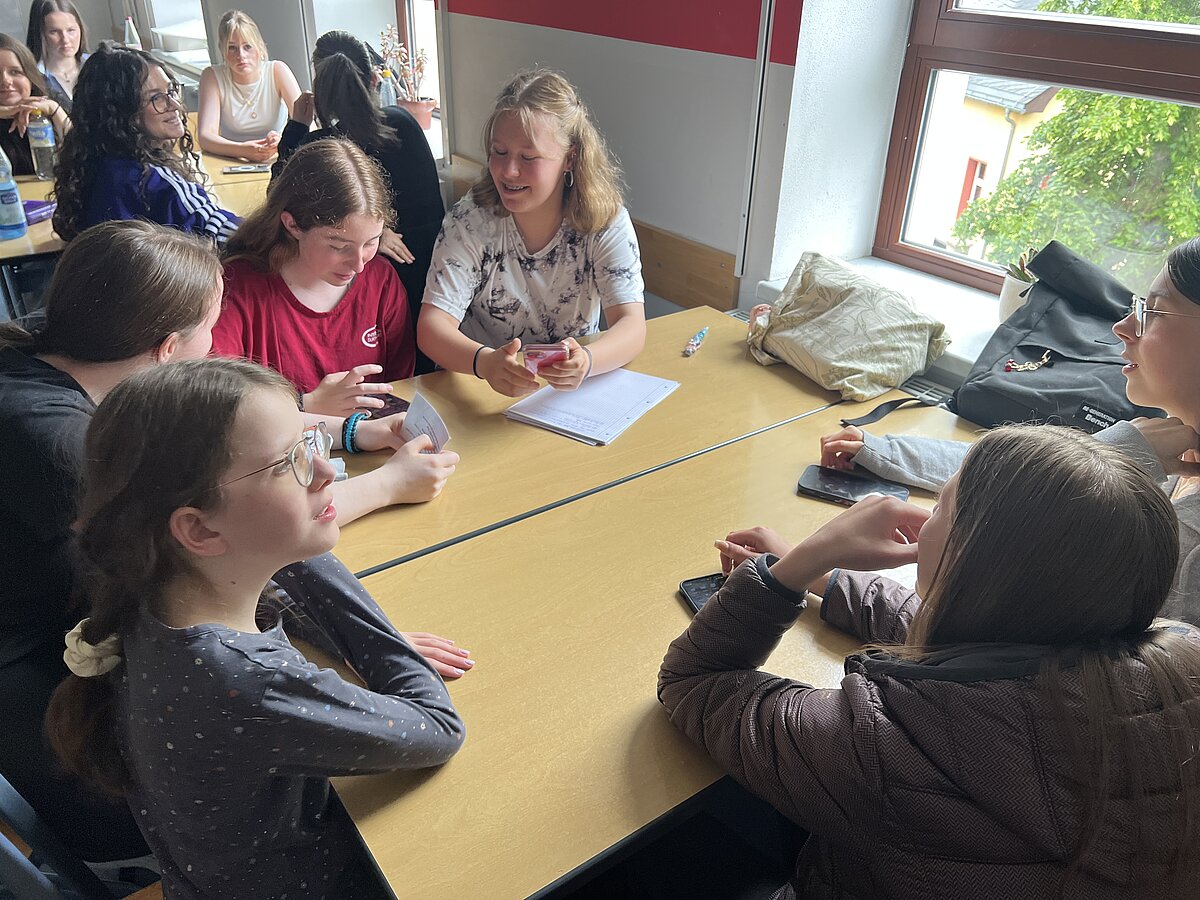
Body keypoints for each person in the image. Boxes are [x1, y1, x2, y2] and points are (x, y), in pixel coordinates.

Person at [0, 220, 471, 863]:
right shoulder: (58, 443)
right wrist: (359, 639)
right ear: (168, 351)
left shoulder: (65, 359)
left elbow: (234, 474)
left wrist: (346, 432)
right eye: (212, 329)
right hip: (63, 714)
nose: (218, 346)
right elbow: (246, 516)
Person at [662, 425, 1200, 897]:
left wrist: (801, 564)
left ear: (968, 559)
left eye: (941, 506)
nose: (926, 519)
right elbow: (980, 644)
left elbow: (693, 681)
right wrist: (830, 579)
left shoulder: (891, 743)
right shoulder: (1178, 666)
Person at [44, 357, 467, 899]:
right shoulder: (243, 681)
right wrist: (376, 643)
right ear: (199, 530)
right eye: (289, 462)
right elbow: (438, 729)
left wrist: (296, 534)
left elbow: (280, 598)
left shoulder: (160, 591)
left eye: (310, 442)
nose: (325, 470)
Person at [812, 236, 1200, 625]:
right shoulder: (1165, 443)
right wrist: (883, 453)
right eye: (1138, 306)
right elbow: (1011, 470)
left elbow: (1004, 642)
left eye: (1154, 311)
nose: (1122, 327)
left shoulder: (1191, 557)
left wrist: (801, 575)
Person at [418, 69, 646, 398]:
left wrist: (588, 360)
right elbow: (431, 328)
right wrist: (485, 363)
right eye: (499, 152)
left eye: (528, 157)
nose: (509, 171)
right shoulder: (470, 221)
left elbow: (632, 325)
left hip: (566, 394)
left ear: (570, 158)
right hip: (480, 387)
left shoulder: (604, 221)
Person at [216, 137, 432, 421]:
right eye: (338, 246)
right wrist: (305, 404)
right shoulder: (237, 288)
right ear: (292, 225)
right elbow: (220, 403)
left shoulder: (381, 279)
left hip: (369, 436)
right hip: (280, 444)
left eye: (372, 242)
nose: (359, 265)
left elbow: (399, 386)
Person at [274, 30, 445, 373]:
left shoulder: (320, 147)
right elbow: (429, 208)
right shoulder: (404, 123)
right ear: (373, 80)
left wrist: (296, 127)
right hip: (430, 278)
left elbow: (278, 197)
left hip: (373, 286)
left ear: (320, 88)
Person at [51, 42, 239, 244]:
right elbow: (228, 237)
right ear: (123, 112)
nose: (174, 105)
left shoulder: (91, 167)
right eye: (156, 98)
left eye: (171, 91)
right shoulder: (154, 182)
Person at [197, 10, 300, 161]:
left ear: (260, 47)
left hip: (278, 159)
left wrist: (284, 141)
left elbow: (307, 125)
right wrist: (242, 150)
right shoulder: (212, 76)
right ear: (222, 50)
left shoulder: (278, 70)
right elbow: (206, 137)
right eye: (232, 48)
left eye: (247, 46)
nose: (241, 55)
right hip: (231, 161)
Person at [0, 33, 69, 175]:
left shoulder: (52, 102)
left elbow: (85, 159)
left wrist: (55, 110)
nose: (6, 81)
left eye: (15, 72)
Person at [24, 0, 90, 113]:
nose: (65, 40)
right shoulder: (31, 78)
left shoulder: (99, 65)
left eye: (71, 30)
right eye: (54, 32)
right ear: (39, 34)